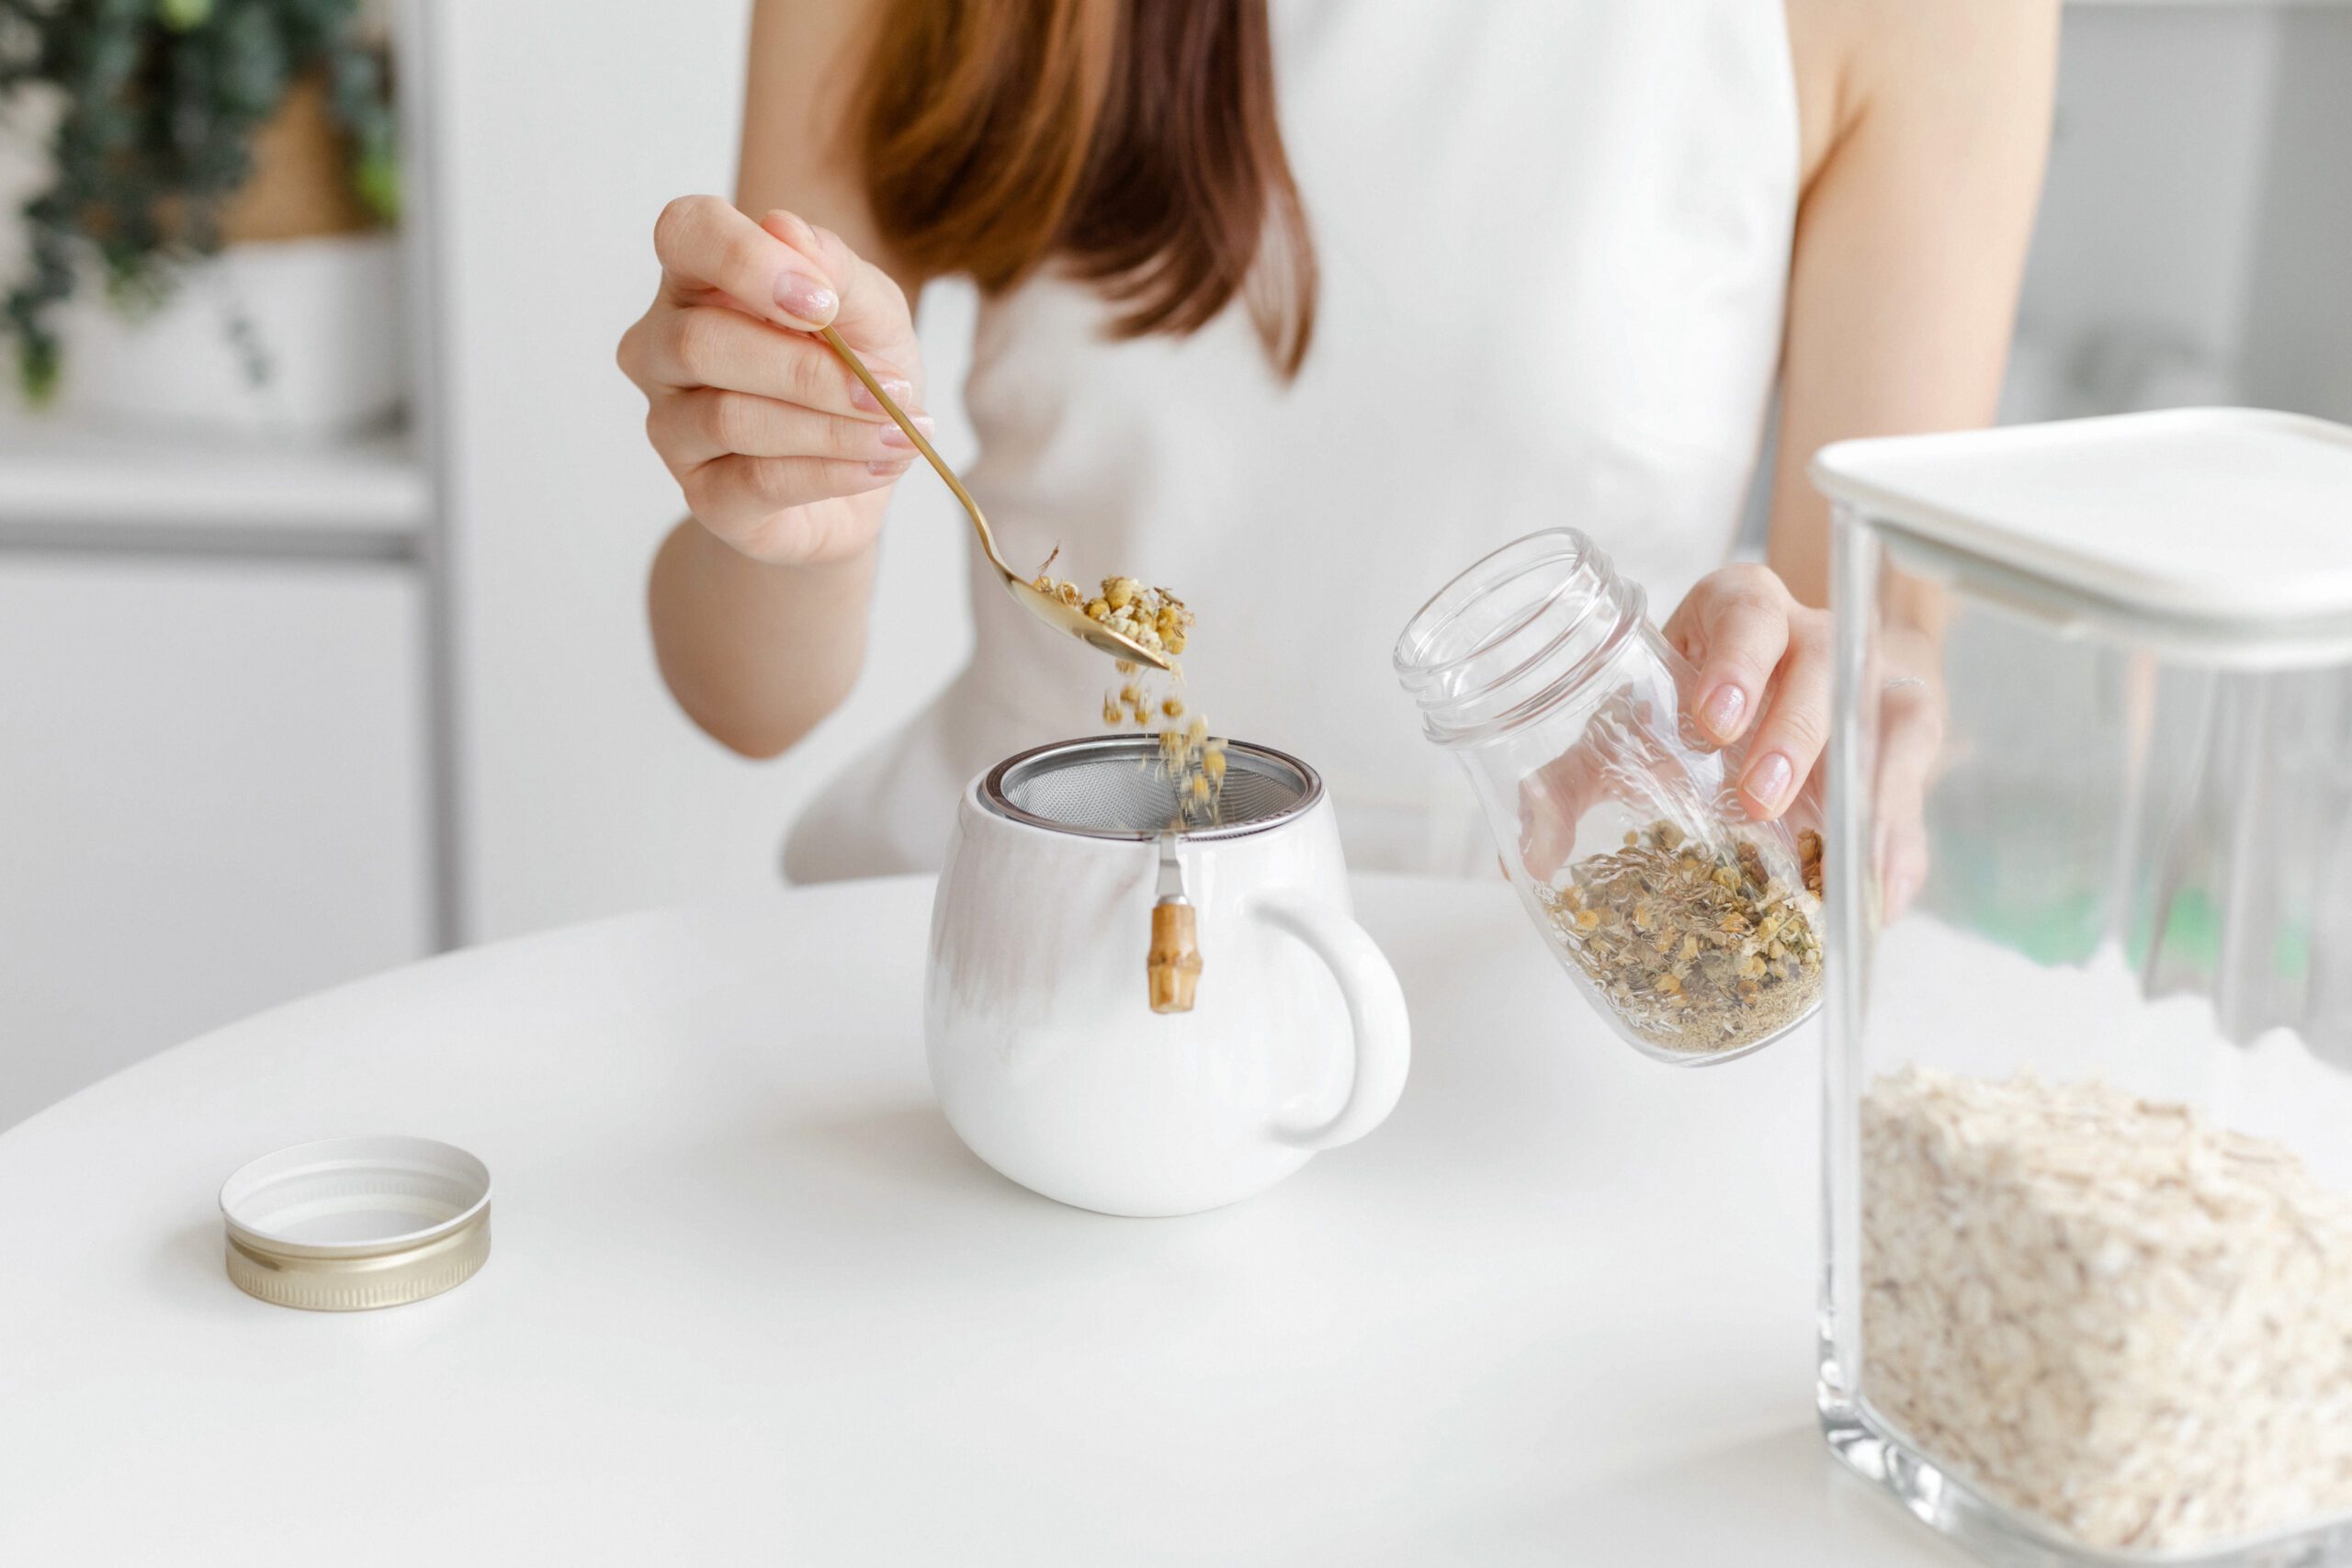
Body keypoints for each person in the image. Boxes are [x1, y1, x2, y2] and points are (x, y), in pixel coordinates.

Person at [620, 0, 2055, 903]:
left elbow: (1878, 658)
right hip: (1015, 954)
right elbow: (746, 693)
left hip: (1547, 990)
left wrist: (1820, 694)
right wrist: (797, 497)